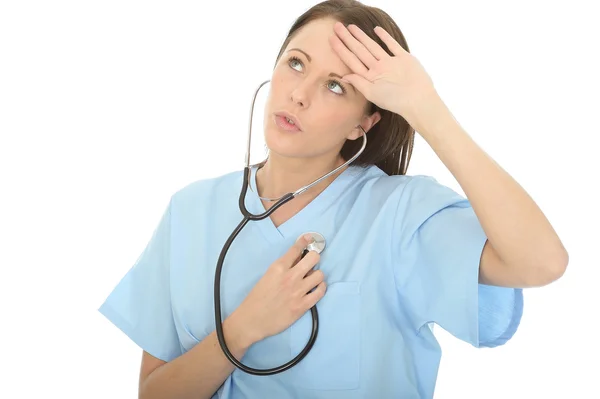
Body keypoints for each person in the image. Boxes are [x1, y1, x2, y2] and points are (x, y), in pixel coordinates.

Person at [98, 1, 568, 398]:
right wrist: (242, 330)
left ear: (363, 124)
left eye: (336, 86)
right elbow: (153, 393)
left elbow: (542, 262)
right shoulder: (191, 210)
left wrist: (427, 108)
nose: (299, 95)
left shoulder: (400, 214)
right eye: (296, 63)